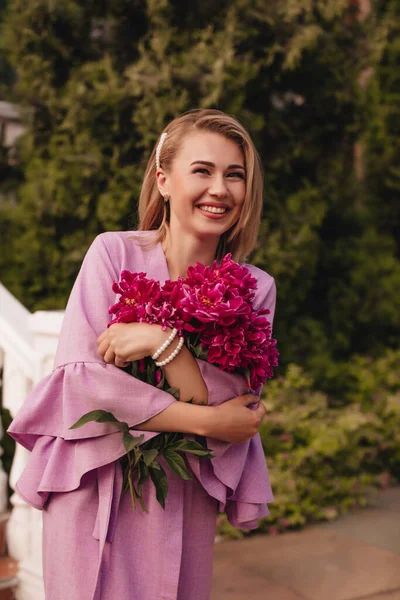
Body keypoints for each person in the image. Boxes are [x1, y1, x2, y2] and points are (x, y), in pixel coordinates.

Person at [8, 108, 277, 600]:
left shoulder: (255, 288)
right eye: (203, 170)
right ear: (164, 180)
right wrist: (207, 422)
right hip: (93, 484)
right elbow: (84, 383)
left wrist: (161, 344)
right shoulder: (112, 254)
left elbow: (231, 402)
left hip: (181, 490)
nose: (220, 189)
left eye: (234, 175)